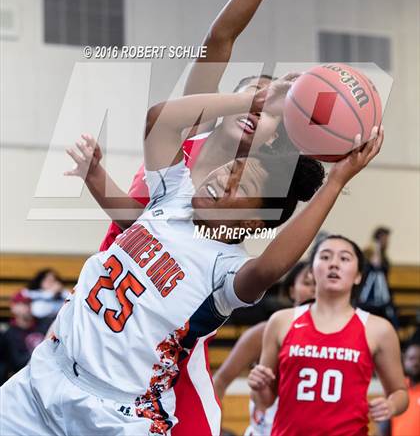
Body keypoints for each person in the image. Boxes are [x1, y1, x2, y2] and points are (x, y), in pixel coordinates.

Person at [63, 0, 329, 436]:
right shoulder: (185, 140)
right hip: (111, 306)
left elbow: (248, 268)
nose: (260, 108)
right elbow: (220, 40)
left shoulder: (242, 198)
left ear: (277, 139)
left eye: (273, 110)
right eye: (253, 95)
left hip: (171, 332)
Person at [1, 67, 383, 435]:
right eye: (232, 169)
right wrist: (258, 98)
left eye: (242, 188)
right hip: (44, 377)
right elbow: (160, 120)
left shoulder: (227, 270)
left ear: (255, 222)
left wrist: (336, 182)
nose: (224, 180)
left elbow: (272, 266)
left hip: (115, 416)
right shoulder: (175, 193)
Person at [248, 235, 408, 436]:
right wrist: (258, 386)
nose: (334, 264)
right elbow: (265, 400)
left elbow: (401, 393)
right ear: (312, 271)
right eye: (325, 257)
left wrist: (391, 405)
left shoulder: (378, 329)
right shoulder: (281, 321)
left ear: (358, 275)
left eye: (344, 258)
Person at [213, 261, 315, 436]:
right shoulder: (264, 331)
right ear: (291, 290)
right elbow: (219, 381)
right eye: (307, 283)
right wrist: (214, 429)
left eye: (319, 284)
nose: (314, 289)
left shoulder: (343, 335)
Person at [0, 291, 45, 381]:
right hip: (26, 378)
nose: (27, 307)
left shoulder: (44, 324)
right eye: (22, 304)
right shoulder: (9, 334)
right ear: (13, 307)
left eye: (28, 303)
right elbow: (17, 362)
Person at [359, 226, 398, 326]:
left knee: (391, 319)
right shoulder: (368, 253)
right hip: (367, 297)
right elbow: (375, 265)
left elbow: (383, 269)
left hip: (382, 296)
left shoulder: (384, 256)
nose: (387, 242)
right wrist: (376, 247)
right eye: (385, 239)